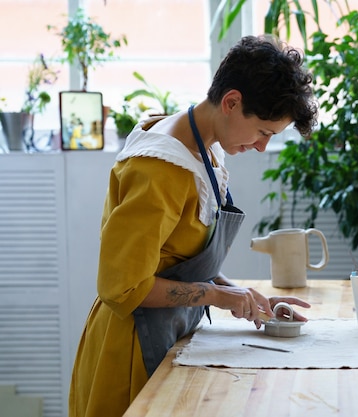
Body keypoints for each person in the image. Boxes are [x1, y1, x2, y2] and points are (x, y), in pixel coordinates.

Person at [68, 35, 318, 417]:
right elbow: (123, 288)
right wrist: (219, 298)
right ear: (232, 102)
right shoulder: (160, 170)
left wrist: (248, 298)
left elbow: (177, 258)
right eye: (264, 132)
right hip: (131, 350)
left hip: (167, 333)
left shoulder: (204, 145)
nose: (262, 146)